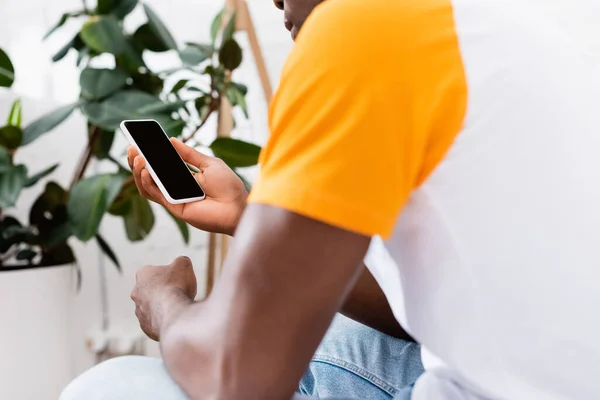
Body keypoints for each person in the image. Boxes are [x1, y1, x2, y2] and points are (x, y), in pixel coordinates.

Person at [62, 0, 600, 398]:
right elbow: (434, 307)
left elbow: (235, 374)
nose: (274, 1)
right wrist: (248, 218)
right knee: (326, 334)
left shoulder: (362, 28)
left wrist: (164, 302)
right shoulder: (511, 23)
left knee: (112, 388)